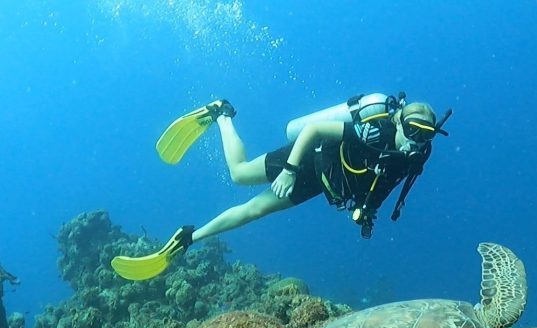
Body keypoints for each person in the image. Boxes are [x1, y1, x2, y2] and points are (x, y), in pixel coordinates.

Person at [111, 93, 451, 281]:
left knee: (254, 211)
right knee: (240, 175)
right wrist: (289, 170)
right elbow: (314, 131)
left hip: (324, 182)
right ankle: (221, 113)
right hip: (307, 157)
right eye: (414, 134)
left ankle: (188, 238)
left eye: (427, 137)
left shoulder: (414, 156)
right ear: (399, 122)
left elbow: (385, 185)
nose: (417, 143)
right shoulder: (371, 129)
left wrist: (368, 212)